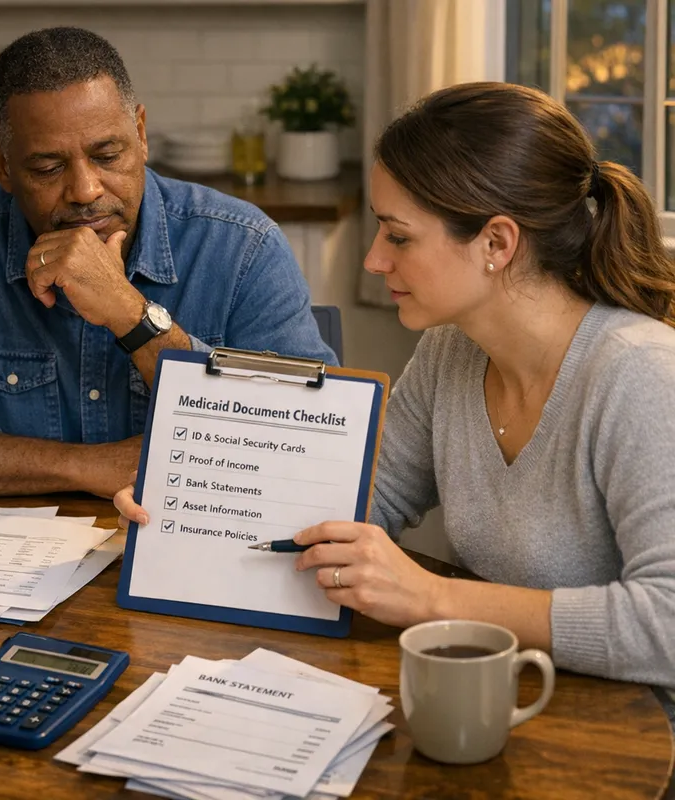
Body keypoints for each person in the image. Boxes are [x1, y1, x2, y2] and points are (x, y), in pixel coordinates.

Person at [115, 82, 675, 689]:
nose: (374, 260)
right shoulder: (452, 351)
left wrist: (431, 597)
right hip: (497, 695)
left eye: (398, 236)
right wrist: (184, 519)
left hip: (636, 741)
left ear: (497, 243)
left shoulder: (640, 374)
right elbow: (355, 508)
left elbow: (666, 626)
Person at [0, 27, 334, 500]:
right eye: (47, 168)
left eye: (107, 155)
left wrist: (131, 313)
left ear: (141, 135)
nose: (85, 190)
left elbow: (316, 445)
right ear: (2, 165)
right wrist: (88, 467)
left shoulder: (243, 248)